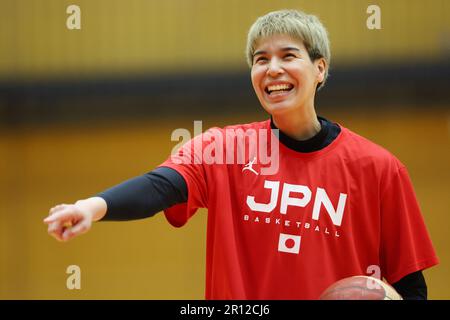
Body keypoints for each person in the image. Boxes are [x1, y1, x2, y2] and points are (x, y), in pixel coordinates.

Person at [44, 9, 438, 300]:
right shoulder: (225, 149)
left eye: (288, 55)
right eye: (260, 59)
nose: (272, 69)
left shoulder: (378, 168)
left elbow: (410, 285)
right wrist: (93, 206)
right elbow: (161, 185)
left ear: (320, 69)